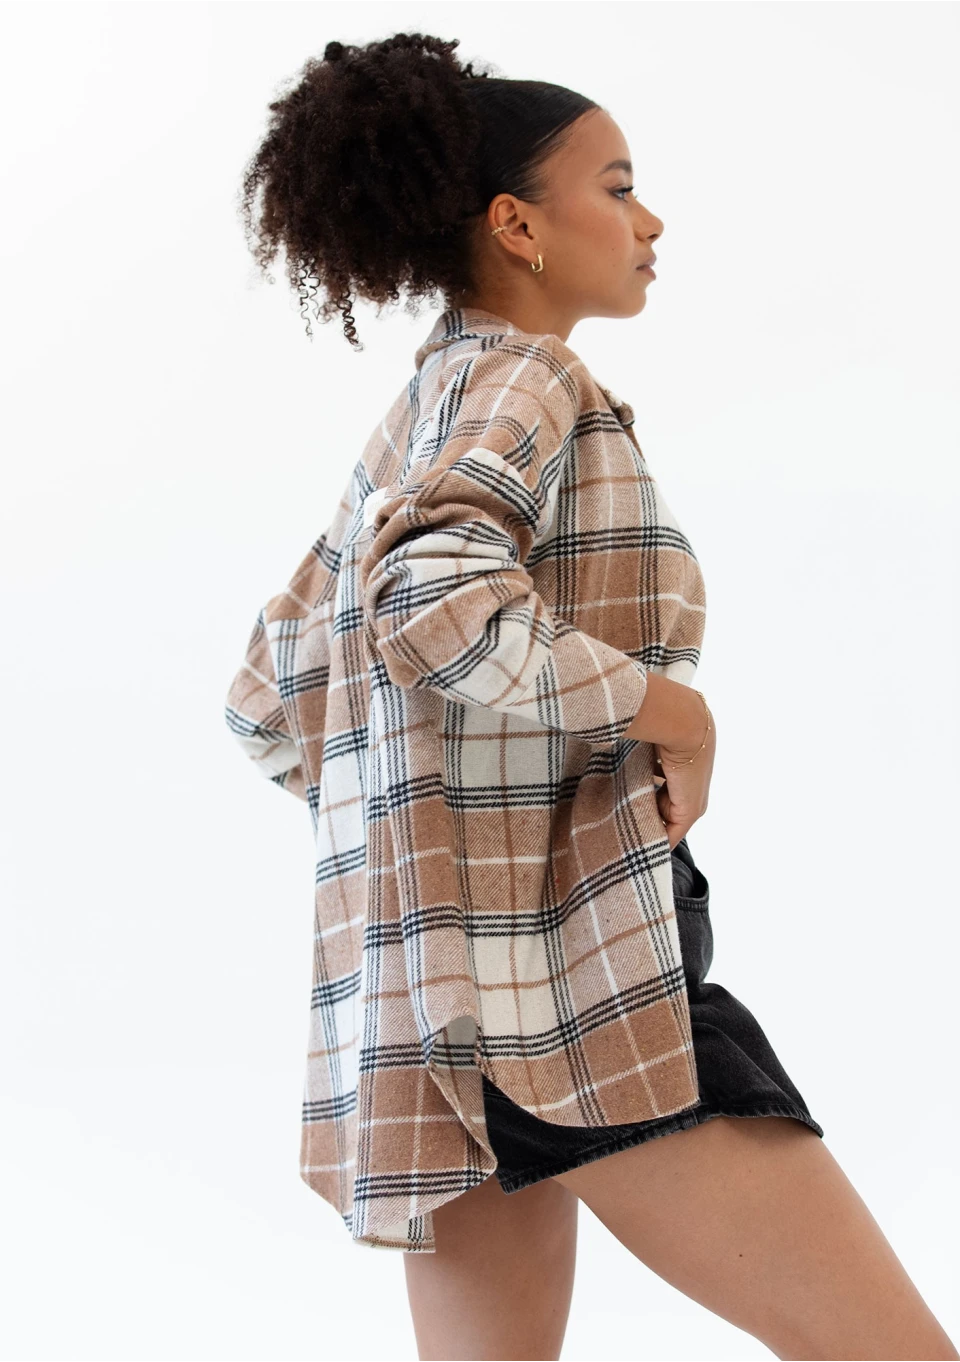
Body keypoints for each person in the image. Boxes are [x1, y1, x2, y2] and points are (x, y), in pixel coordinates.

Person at [225, 31, 959, 1362]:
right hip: (576, 983)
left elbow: (271, 697)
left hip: (441, 1009)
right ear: (518, 226)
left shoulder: (419, 410)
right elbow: (432, 605)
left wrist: (424, 831)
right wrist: (676, 714)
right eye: (617, 188)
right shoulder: (528, 379)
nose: (649, 219)